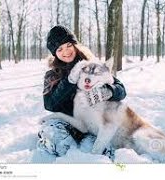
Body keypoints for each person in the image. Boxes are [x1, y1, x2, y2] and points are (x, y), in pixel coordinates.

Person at [37, 25, 127, 157]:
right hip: (69, 123)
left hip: (94, 124)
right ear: (54, 53)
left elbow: (121, 89)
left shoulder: (90, 65)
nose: (66, 51)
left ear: (75, 44)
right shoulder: (52, 75)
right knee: (53, 136)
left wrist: (109, 91)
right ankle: (71, 160)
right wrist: (69, 80)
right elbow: (49, 104)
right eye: (60, 49)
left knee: (103, 150)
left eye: (68, 45)